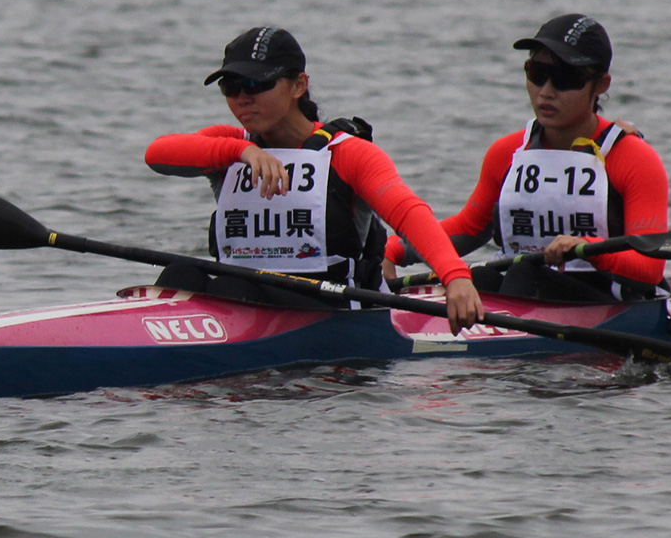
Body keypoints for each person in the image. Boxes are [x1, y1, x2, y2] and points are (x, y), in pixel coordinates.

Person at [144, 27, 484, 330]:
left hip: (331, 312)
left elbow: (409, 214)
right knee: (181, 273)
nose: (242, 97)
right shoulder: (230, 147)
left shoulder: (348, 153)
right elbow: (156, 154)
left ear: (298, 86)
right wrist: (242, 152)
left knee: (231, 289)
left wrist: (456, 278)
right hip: (247, 300)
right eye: (230, 87)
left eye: (256, 83)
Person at [382, 14, 669, 303]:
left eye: (564, 78)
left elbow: (650, 267)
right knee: (479, 277)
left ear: (601, 85)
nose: (546, 91)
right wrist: (393, 248)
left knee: (523, 274)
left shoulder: (633, 158)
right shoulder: (506, 153)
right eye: (536, 73)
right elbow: (469, 229)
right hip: (526, 288)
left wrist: (589, 248)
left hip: (609, 296)